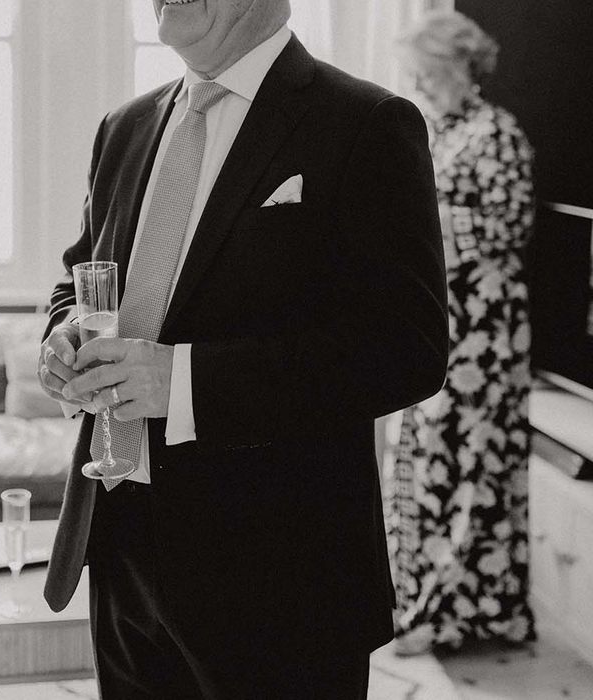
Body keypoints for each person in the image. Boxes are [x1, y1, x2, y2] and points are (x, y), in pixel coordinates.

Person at [37, 1, 448, 697]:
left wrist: (184, 383)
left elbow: (406, 348)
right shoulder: (125, 127)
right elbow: (80, 276)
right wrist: (60, 334)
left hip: (280, 576)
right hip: (120, 543)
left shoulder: (366, 123)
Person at [386, 10, 536, 656]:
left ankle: (456, 613)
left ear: (457, 67)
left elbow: (510, 227)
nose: (419, 84)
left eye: (426, 72)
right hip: (442, 321)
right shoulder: (441, 131)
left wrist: (424, 230)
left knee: (474, 467)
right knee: (427, 464)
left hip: (485, 331)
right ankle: (420, 601)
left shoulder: (497, 133)